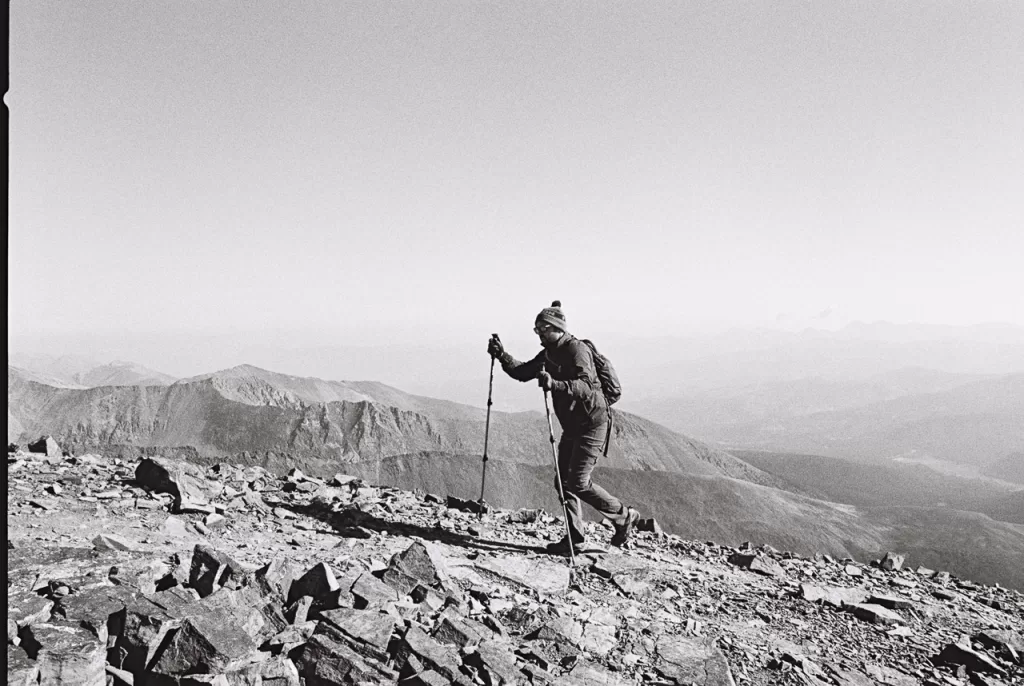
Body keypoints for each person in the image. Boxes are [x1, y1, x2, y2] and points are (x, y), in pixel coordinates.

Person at [487, 301, 640, 554]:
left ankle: (624, 517)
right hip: (572, 425)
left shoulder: (576, 350)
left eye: (542, 329)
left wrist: (555, 384)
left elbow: (586, 387)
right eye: (536, 330)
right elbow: (523, 372)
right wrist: (502, 355)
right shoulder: (549, 353)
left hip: (592, 423)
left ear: (555, 327)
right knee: (563, 482)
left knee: (578, 482)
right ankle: (574, 539)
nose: (539, 335)